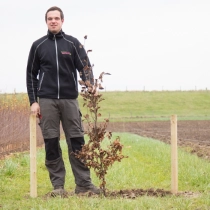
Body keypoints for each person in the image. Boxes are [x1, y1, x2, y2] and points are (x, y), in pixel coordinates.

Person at [26, 6, 99, 196]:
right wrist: (34, 101)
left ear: (62, 21)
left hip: (69, 101)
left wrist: (90, 84)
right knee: (51, 143)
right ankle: (58, 187)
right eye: (50, 18)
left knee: (77, 142)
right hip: (47, 101)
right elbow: (31, 75)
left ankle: (84, 185)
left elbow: (85, 67)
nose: (53, 21)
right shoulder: (38, 46)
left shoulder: (73, 43)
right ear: (46, 22)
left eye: (56, 18)